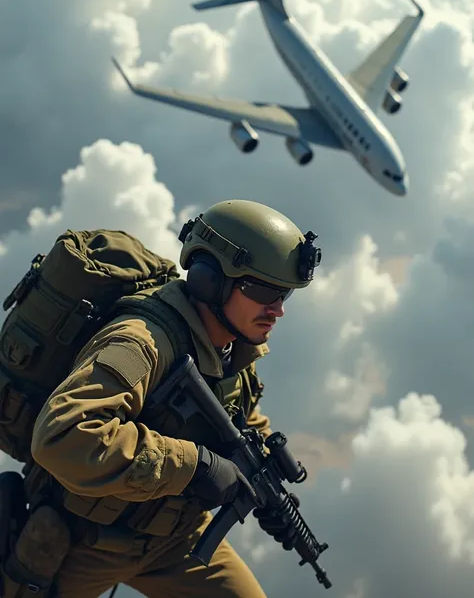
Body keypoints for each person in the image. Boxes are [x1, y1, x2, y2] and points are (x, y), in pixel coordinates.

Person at [28, 199, 321, 598]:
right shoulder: (140, 342)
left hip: (176, 539)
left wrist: (263, 475)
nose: (277, 310)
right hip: (88, 539)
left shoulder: (232, 347)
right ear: (208, 280)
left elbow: (233, 413)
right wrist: (196, 466)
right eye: (263, 290)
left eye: (284, 293)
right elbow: (64, 435)